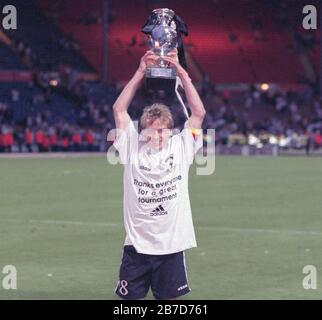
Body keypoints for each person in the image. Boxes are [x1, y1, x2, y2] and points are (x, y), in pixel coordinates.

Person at [112, 49, 206, 300]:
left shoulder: (182, 147)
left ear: (171, 132)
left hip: (171, 247)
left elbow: (198, 114)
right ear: (142, 131)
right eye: (152, 131)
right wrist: (140, 72)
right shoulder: (131, 148)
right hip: (136, 247)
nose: (158, 136)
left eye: (164, 131)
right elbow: (119, 110)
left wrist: (183, 74)